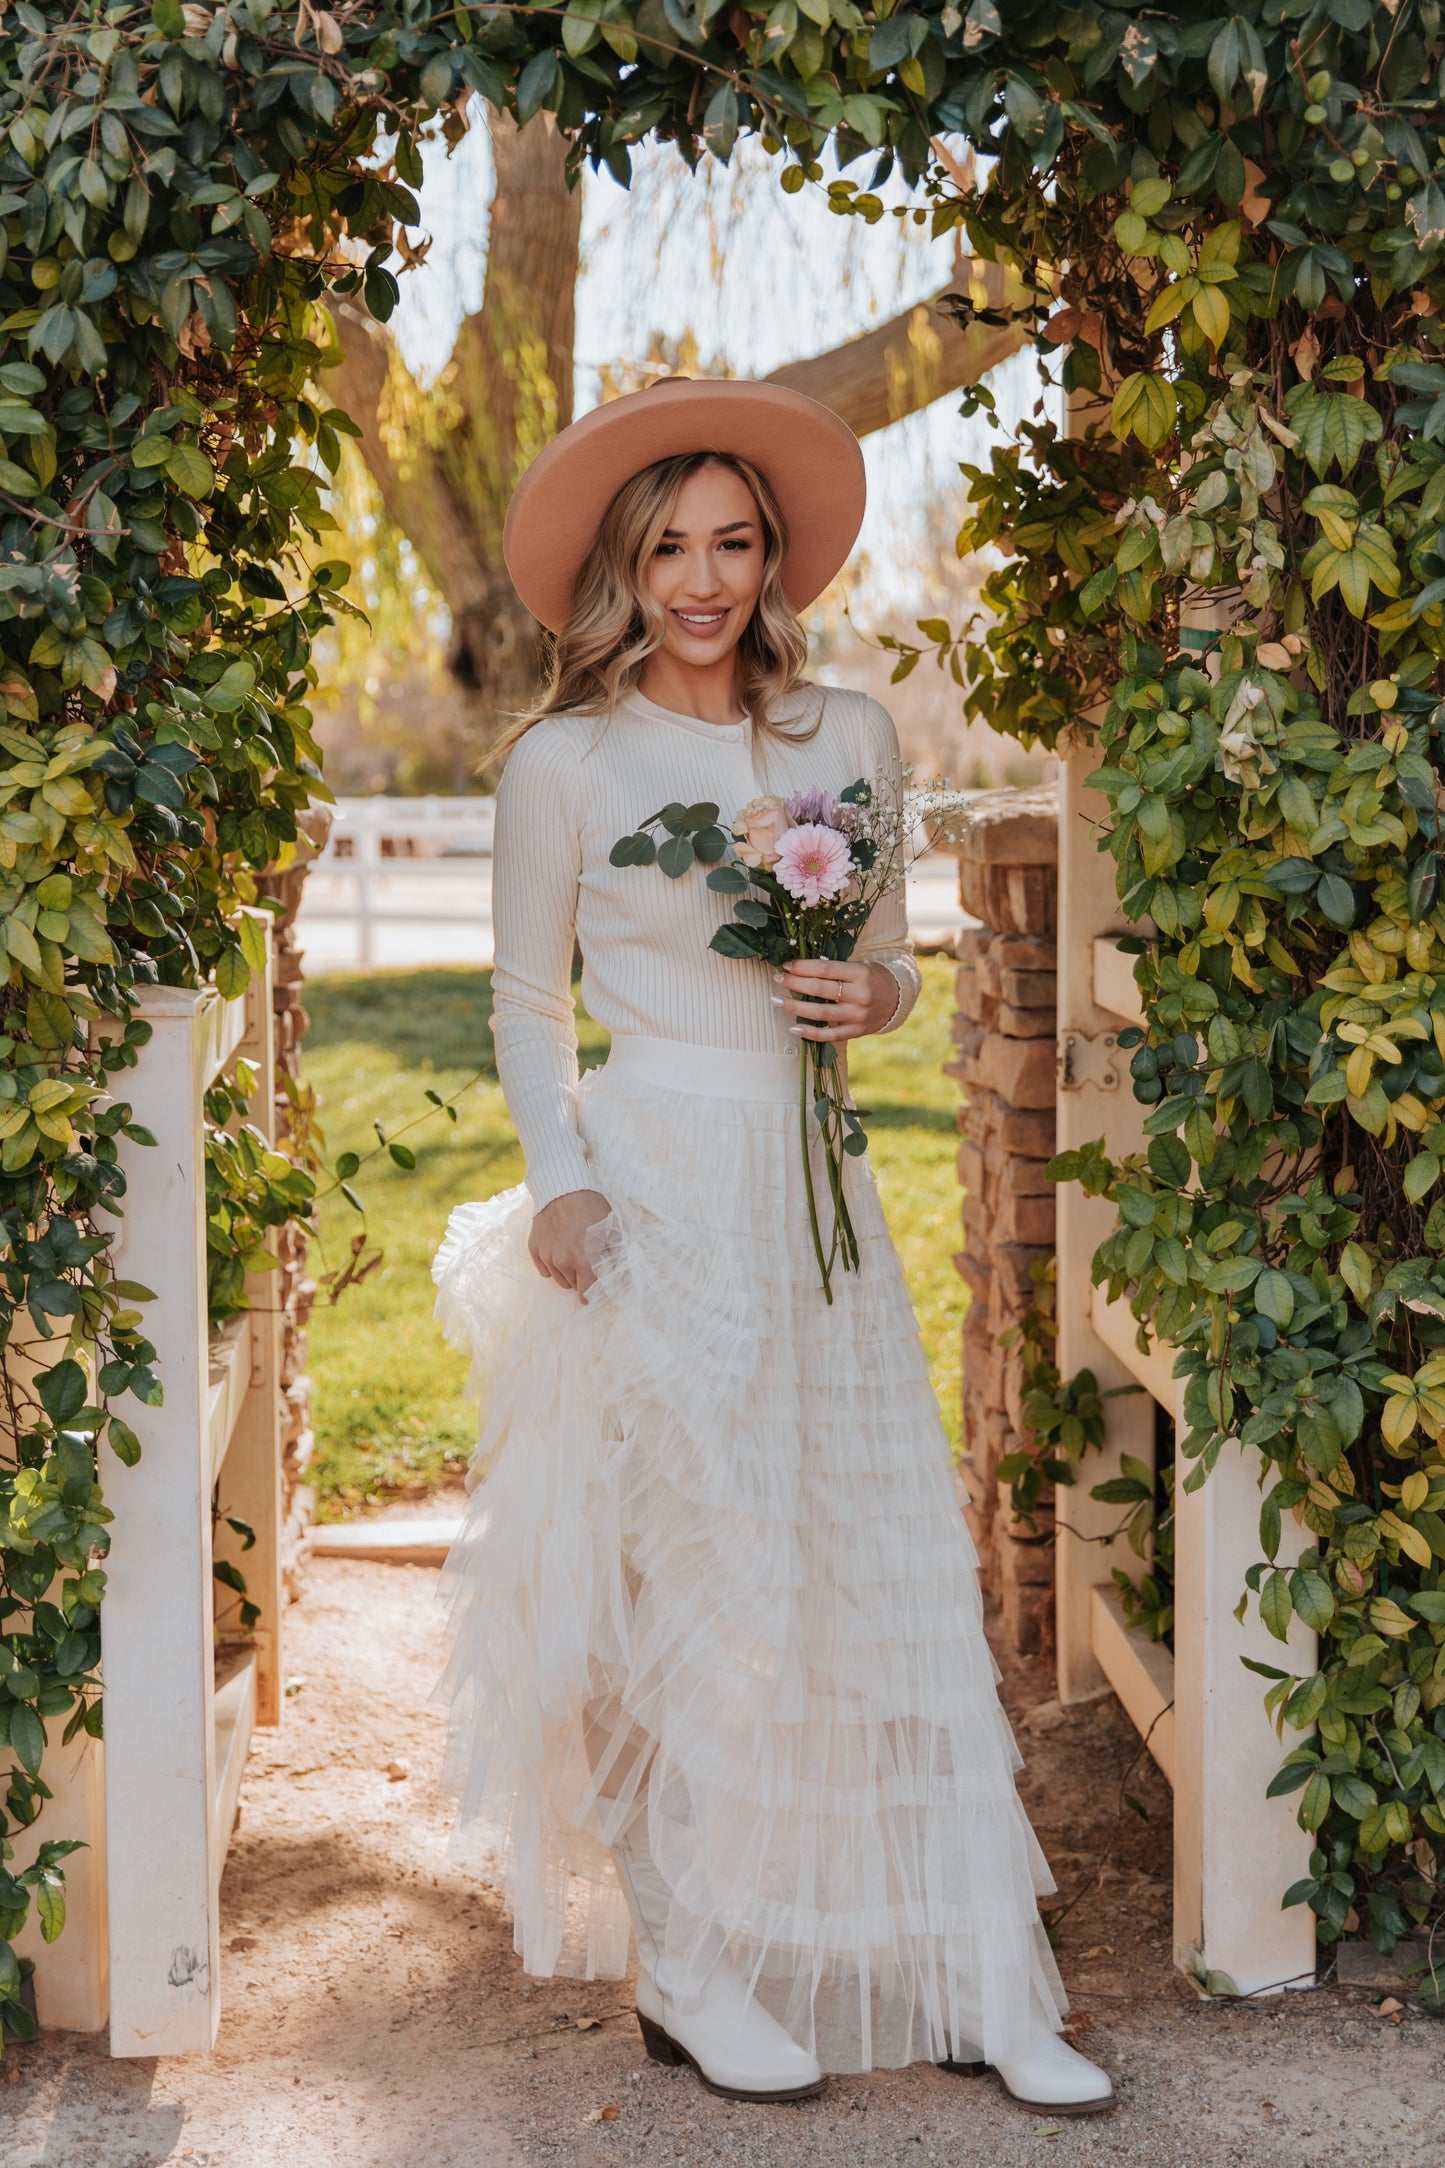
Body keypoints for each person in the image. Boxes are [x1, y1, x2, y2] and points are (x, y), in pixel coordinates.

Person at [432, 378, 1113, 2114]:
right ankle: (692, 1962)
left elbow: (887, 945)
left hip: (813, 1188)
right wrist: (560, 1179)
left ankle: (972, 1964)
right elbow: (523, 1002)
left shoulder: (848, 737)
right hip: (651, 1185)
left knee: (866, 1555)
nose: (702, 579)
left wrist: (875, 988)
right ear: (621, 565)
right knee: (681, 1572)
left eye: (732, 542)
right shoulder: (565, 762)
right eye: (668, 546)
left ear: (773, 557)